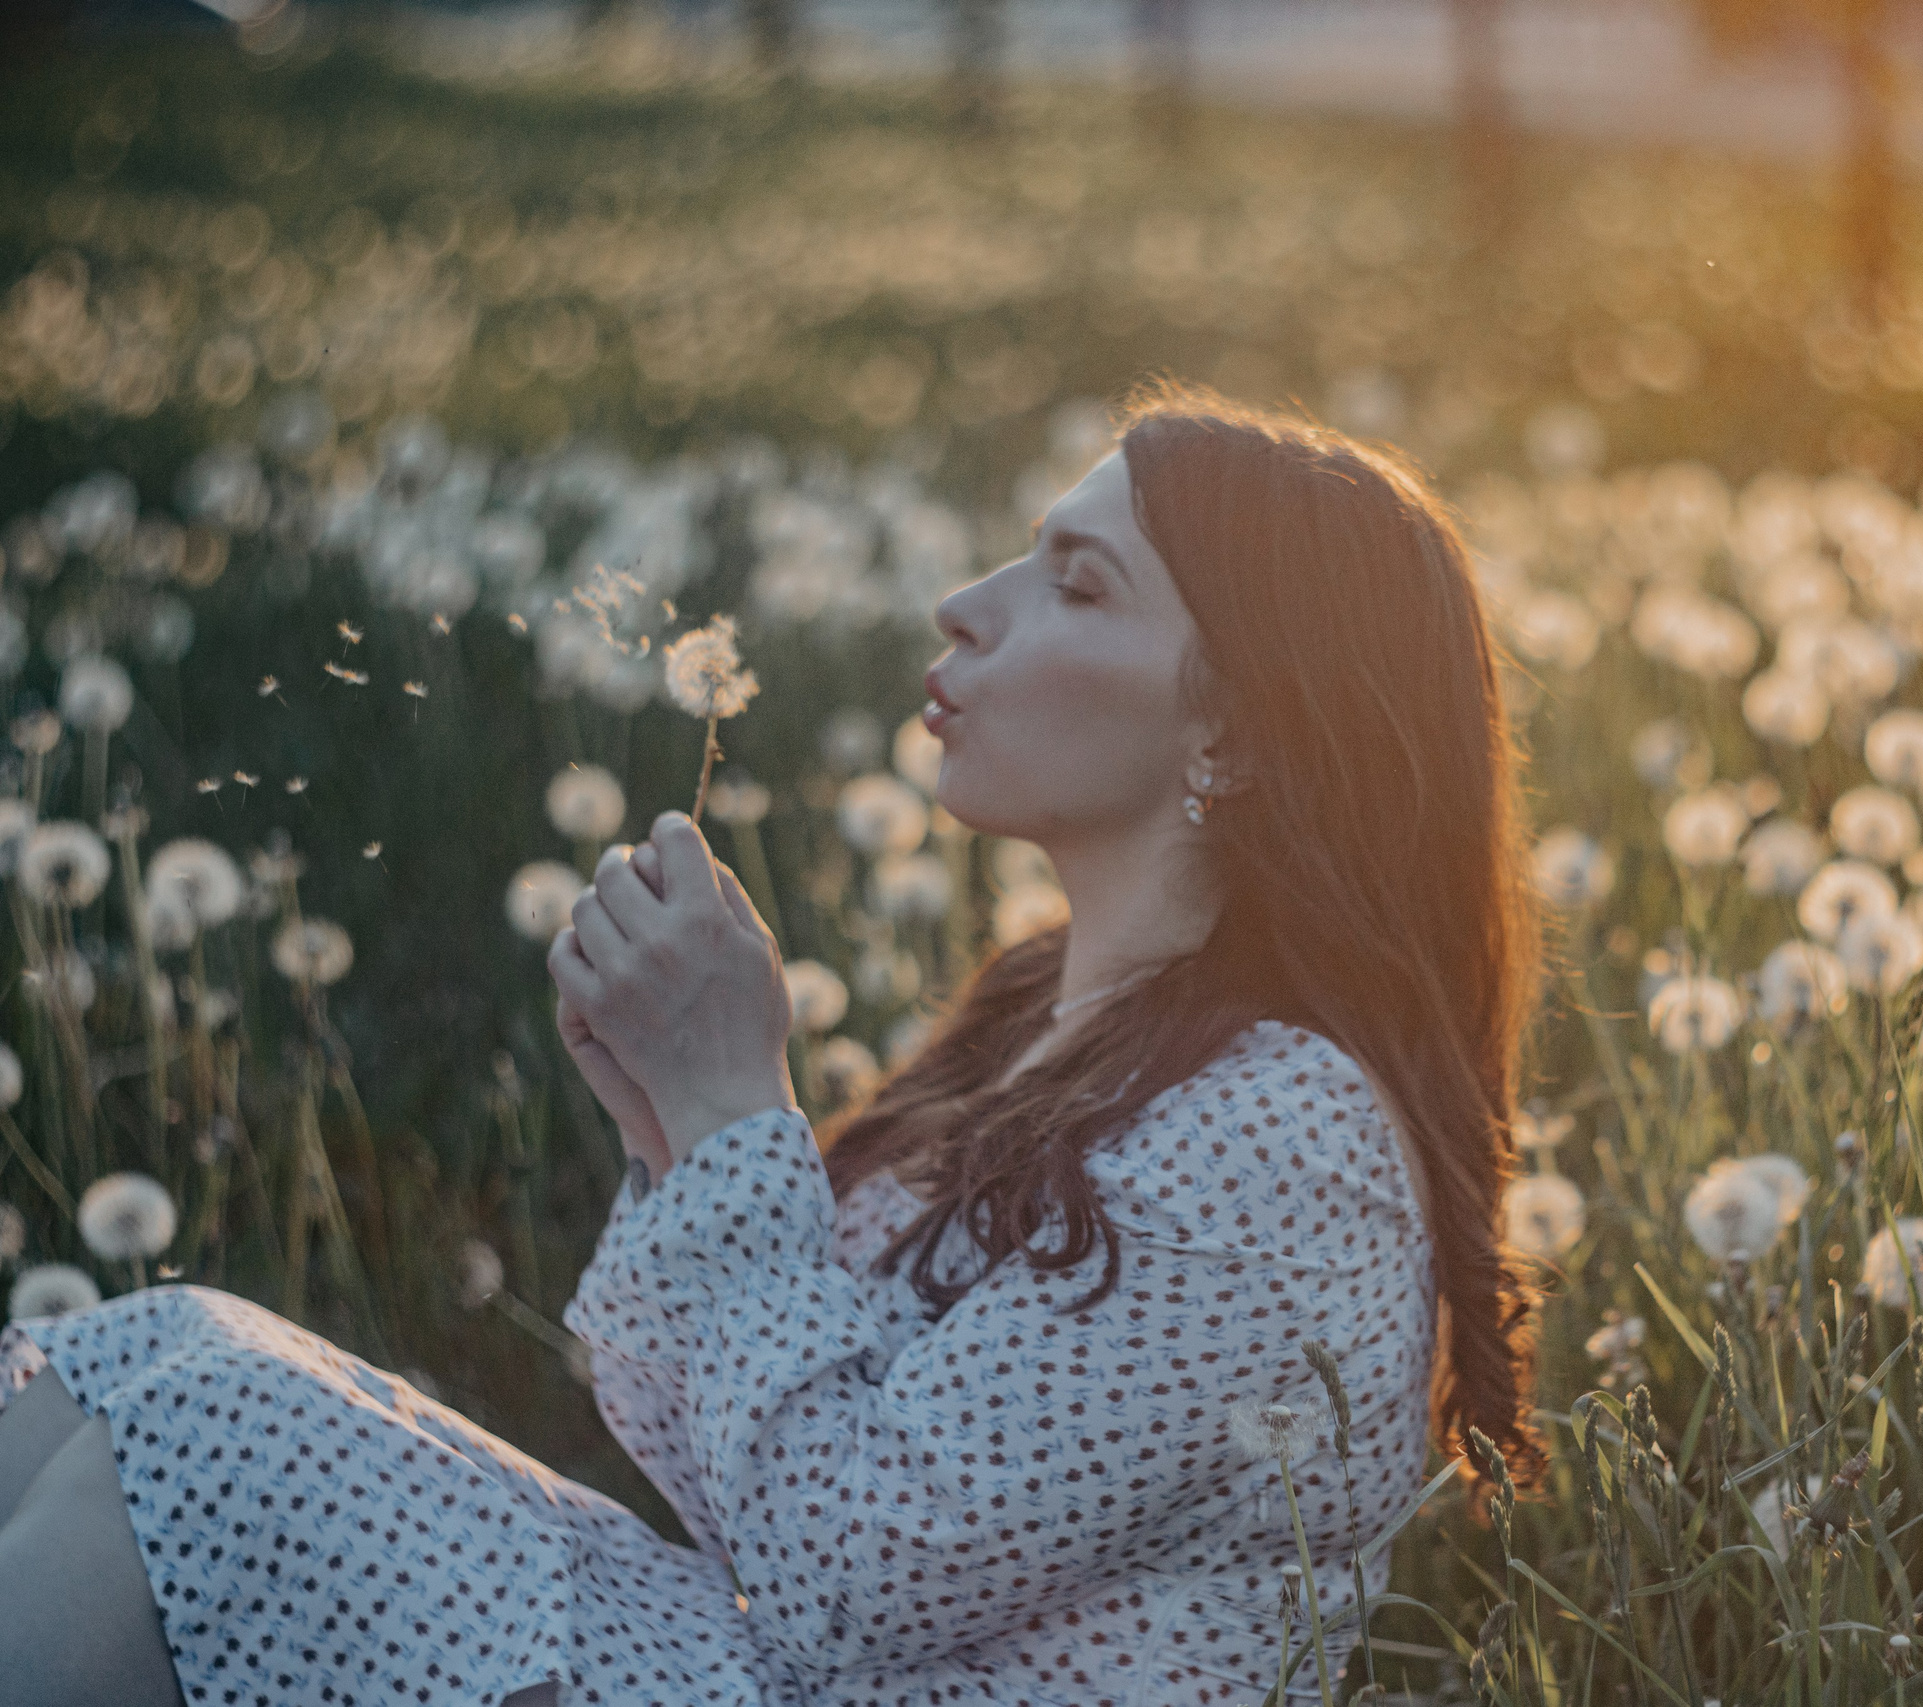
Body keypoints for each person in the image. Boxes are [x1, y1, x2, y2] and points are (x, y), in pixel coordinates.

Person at [0, 375, 1549, 1707]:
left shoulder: (1285, 1136)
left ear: (1243, 730)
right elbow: (727, 1469)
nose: (970, 603)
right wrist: (670, 1127)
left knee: (215, 1420)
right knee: (151, 1351)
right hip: (766, 1664)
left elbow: (836, 1574)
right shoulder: (1036, 1015)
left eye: (1078, 585)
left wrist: (739, 1112)